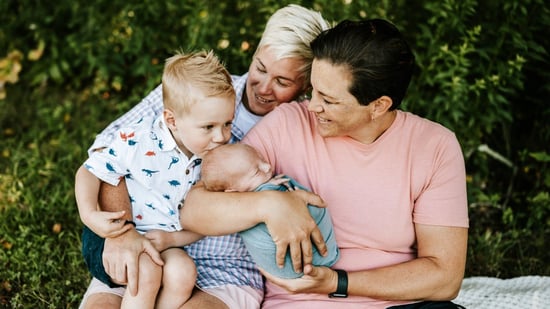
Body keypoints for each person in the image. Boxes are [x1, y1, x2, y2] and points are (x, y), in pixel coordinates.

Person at [181, 19, 469, 308]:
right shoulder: (287, 124)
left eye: (329, 100)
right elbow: (194, 211)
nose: (312, 105)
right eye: (314, 90)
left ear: (379, 105)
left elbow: (444, 276)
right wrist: (270, 204)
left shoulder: (435, 146)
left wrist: (336, 282)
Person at [79, 4, 331, 309]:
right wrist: (122, 233)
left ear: (306, 84)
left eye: (282, 81)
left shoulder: (304, 132)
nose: (264, 88)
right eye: (261, 68)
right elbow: (107, 150)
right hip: (147, 242)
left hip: (225, 270)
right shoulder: (197, 91)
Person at [76, 50, 235, 308]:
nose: (221, 136)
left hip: (164, 243)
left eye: (228, 123)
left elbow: (205, 222)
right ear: (172, 120)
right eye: (209, 127)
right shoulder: (139, 140)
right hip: (114, 238)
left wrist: (171, 240)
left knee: (183, 273)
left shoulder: (214, 160)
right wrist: (88, 214)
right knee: (147, 271)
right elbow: (89, 171)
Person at [200, 143, 340, 279]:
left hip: (279, 273)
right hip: (307, 263)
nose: (267, 167)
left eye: (262, 159)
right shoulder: (252, 201)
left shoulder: (243, 194)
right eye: (256, 171)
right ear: (233, 191)